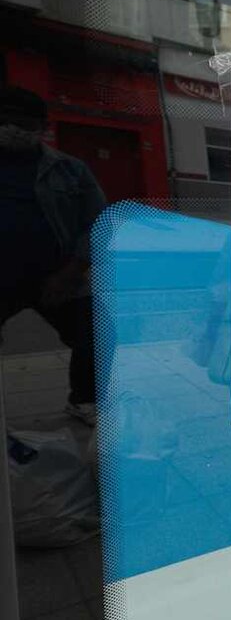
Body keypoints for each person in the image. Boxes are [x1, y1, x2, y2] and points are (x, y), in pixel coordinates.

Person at [0, 86, 106, 425]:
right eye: (8, 121)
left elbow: (98, 223)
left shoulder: (69, 170)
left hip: (57, 274)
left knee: (98, 332)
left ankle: (84, 400)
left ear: (42, 127)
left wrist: (71, 272)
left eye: (25, 123)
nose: (15, 129)